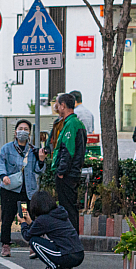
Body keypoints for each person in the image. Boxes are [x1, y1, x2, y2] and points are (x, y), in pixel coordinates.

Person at [0, 119, 46, 257]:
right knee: (7, 217)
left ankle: (33, 245)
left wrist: (41, 160)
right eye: (20, 128)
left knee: (26, 216)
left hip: (26, 191)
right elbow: (0, 164)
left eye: (26, 129)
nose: (22, 131)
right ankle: (5, 245)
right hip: (10, 190)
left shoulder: (33, 150)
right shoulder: (7, 148)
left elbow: (38, 170)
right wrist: (3, 176)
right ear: (15, 131)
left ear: (29, 133)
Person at [21, 190, 84, 269]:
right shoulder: (59, 212)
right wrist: (30, 222)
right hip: (79, 254)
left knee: (34, 242)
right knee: (54, 242)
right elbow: (40, 229)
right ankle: (66, 268)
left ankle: (53, 268)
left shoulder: (43, 219)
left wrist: (23, 223)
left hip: (67, 254)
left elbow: (27, 236)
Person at [51, 93, 87, 233]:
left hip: (67, 175)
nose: (57, 107)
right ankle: (71, 238)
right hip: (71, 173)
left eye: (58, 104)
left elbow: (68, 151)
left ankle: (71, 238)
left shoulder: (71, 124)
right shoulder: (72, 123)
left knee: (68, 208)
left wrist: (61, 172)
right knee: (69, 207)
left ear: (63, 105)